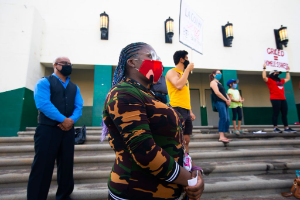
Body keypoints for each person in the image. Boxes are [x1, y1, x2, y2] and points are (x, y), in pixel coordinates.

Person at [102, 42, 204, 200]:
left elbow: (172, 142)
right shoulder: (123, 93)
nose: (158, 62)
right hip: (136, 191)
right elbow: (144, 150)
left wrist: (194, 169)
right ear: (132, 62)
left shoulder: (153, 96)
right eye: (150, 57)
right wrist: (189, 180)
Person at [27, 57, 83, 200]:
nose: (68, 66)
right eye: (64, 63)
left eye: (70, 64)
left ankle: (64, 196)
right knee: (42, 166)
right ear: (55, 65)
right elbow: (43, 104)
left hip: (68, 131)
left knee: (66, 165)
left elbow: (79, 107)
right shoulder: (44, 82)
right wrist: (63, 119)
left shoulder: (74, 87)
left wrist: (71, 121)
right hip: (47, 130)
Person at [165, 50, 195, 153]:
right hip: (177, 108)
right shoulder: (172, 72)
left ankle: (187, 160)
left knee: (187, 139)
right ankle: (178, 161)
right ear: (181, 59)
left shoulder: (184, 74)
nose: (188, 60)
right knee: (178, 138)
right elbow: (178, 85)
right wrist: (187, 70)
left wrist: (190, 111)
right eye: (186, 58)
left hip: (186, 109)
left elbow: (185, 95)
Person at [262, 64, 297, 133]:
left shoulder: (280, 81)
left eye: (278, 73)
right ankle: (275, 128)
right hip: (275, 98)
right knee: (276, 113)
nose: (278, 74)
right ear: (272, 74)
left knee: (284, 113)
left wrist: (287, 71)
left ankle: (286, 128)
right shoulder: (269, 80)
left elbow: (288, 79)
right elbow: (264, 77)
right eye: (276, 73)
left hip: (283, 99)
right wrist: (264, 68)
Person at [210, 70, 232, 143]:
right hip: (219, 102)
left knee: (227, 119)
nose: (220, 74)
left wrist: (228, 100)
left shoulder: (220, 83)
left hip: (224, 102)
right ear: (214, 74)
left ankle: (224, 135)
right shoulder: (213, 82)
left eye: (220, 73)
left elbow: (224, 93)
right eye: (218, 73)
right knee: (223, 117)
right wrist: (226, 100)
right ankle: (221, 136)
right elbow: (217, 92)